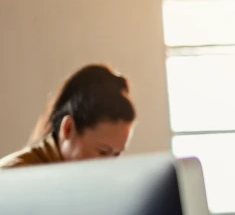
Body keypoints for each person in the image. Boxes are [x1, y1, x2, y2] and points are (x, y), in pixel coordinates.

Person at [0, 64, 135, 170]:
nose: (109, 166)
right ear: (68, 128)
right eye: (103, 152)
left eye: (116, 154)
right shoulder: (13, 177)